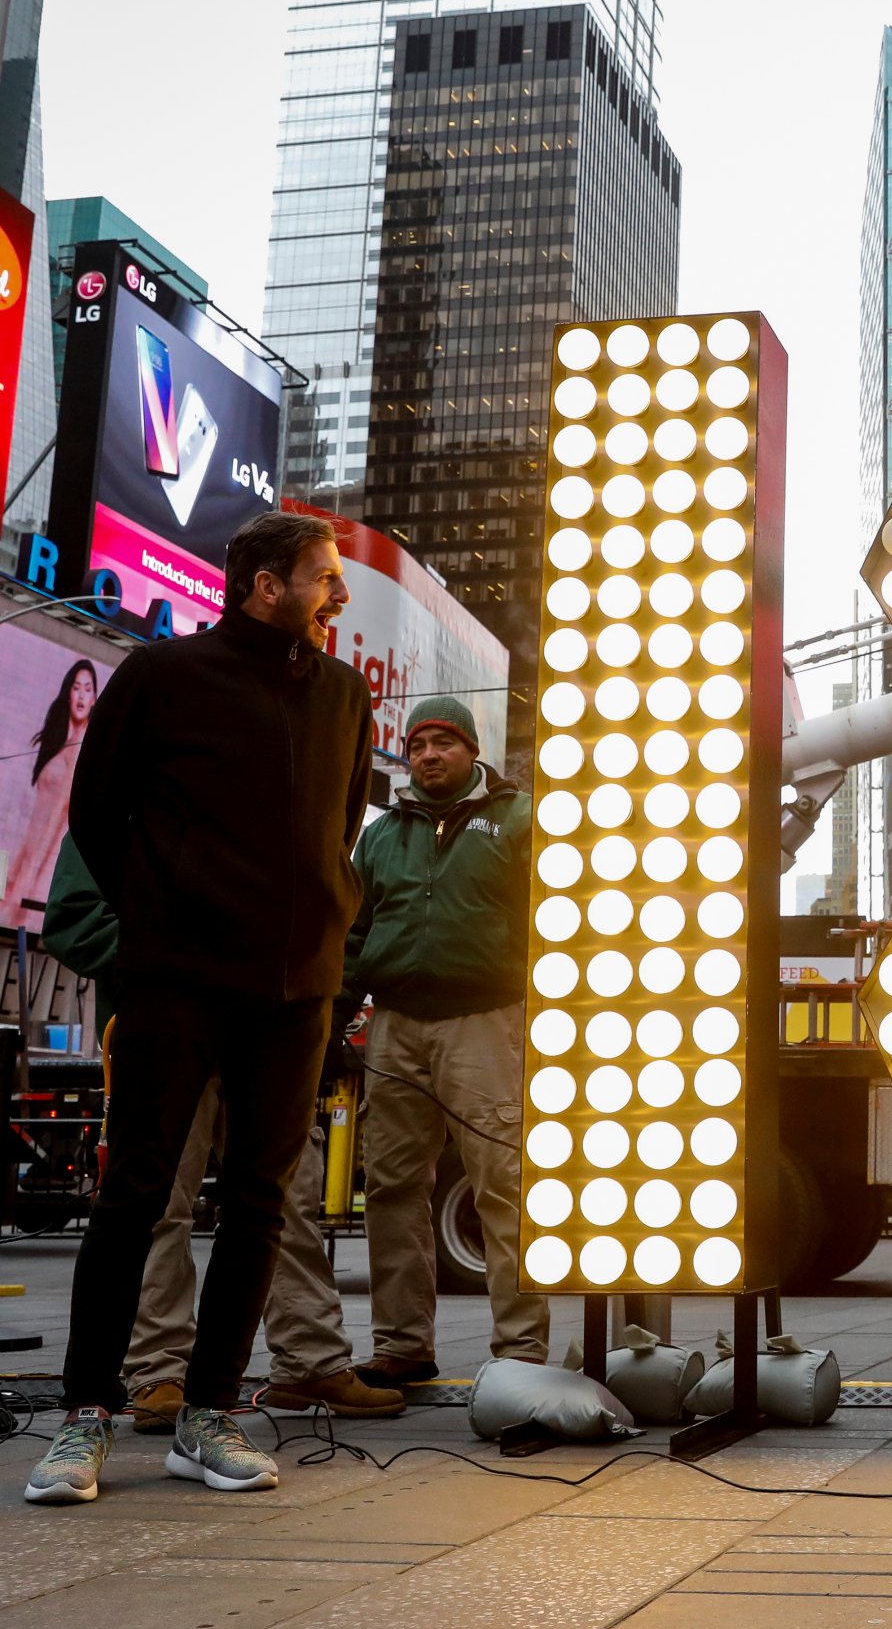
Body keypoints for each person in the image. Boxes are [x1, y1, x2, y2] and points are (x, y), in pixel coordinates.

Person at [27, 511, 369, 1505]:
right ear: (266, 585)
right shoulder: (161, 677)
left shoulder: (345, 695)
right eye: (324, 577)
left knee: (260, 1203)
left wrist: (326, 929)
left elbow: (338, 829)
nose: (337, 594)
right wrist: (160, 920)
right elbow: (97, 812)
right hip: (174, 979)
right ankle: (85, 1416)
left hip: (294, 992)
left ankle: (208, 1414)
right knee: (133, 1193)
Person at [40, 835, 404, 1431]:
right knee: (158, 1199)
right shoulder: (139, 799)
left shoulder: (268, 792)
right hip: (166, 1022)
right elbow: (75, 916)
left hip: (264, 1021)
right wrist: (168, 974)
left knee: (284, 1197)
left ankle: (309, 1358)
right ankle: (160, 1370)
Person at [344, 695, 547, 1388]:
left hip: (487, 1019)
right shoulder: (380, 835)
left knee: (504, 1183)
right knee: (394, 1188)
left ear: (472, 750)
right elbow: (353, 931)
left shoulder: (520, 820)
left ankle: (521, 1352)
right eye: (417, 744)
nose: (427, 755)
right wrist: (334, 1014)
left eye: (443, 742)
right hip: (394, 1023)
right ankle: (402, 1345)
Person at [2, 658, 98, 931]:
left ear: (94, 698)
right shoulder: (61, 738)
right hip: (24, 849)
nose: (81, 694)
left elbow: (57, 819)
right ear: (68, 692)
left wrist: (33, 878)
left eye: (88, 688)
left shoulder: (81, 746)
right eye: (76, 687)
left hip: (41, 859)